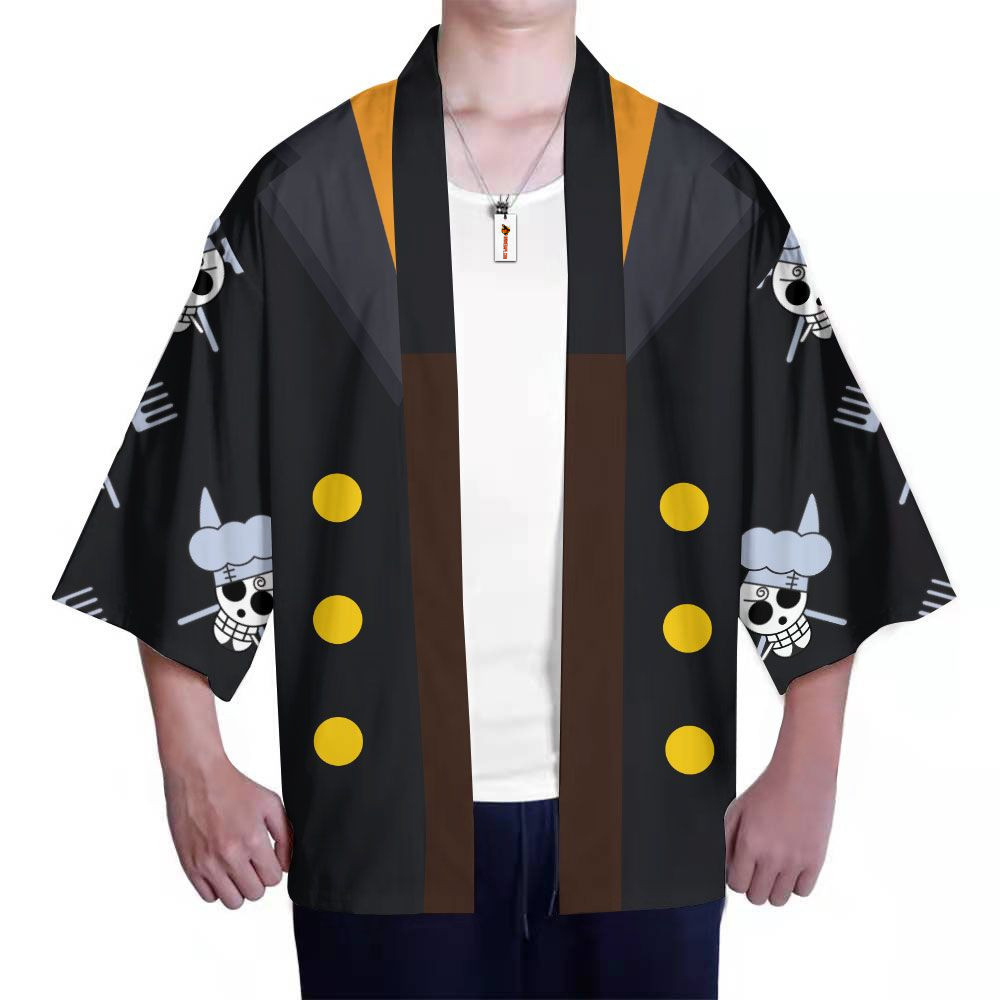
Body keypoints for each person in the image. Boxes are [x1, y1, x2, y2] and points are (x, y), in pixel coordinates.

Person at [53, 2, 954, 997]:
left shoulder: (703, 195)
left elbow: (812, 476)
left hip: (648, 814)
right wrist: (193, 762)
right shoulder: (307, 196)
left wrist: (807, 762)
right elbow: (187, 479)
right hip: (379, 813)